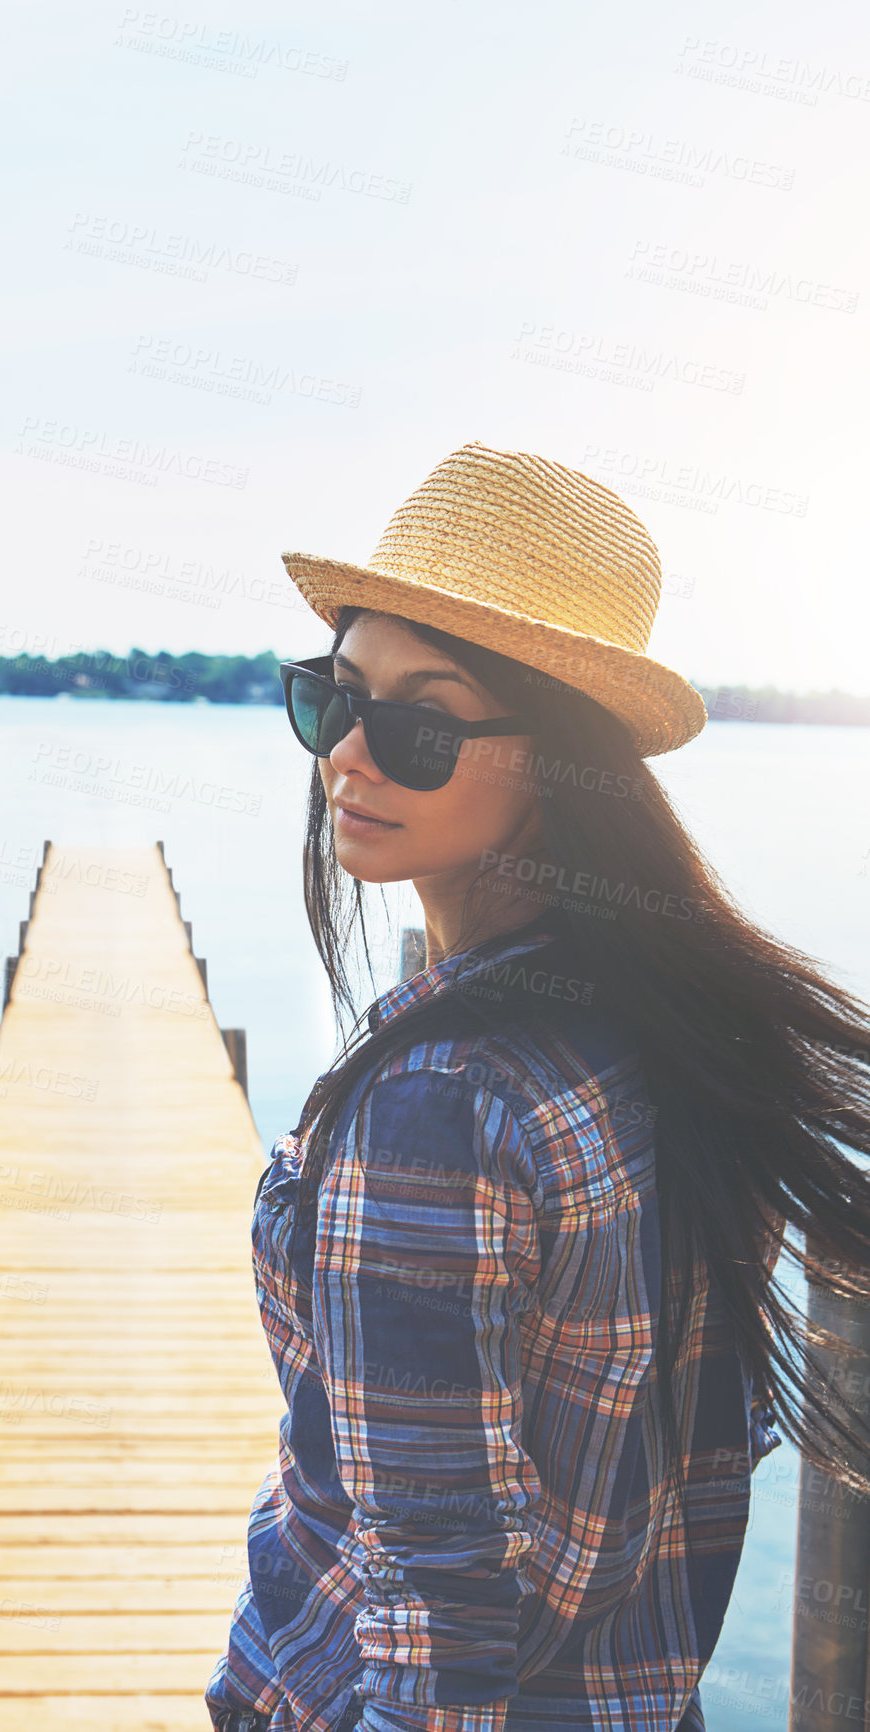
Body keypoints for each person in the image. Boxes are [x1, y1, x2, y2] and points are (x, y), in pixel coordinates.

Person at [204, 442, 870, 1732]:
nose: (350, 755)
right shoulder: (669, 1029)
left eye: (423, 725)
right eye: (332, 699)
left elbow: (432, 1594)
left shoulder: (439, 1104)